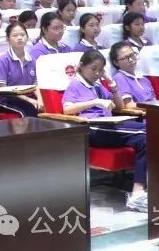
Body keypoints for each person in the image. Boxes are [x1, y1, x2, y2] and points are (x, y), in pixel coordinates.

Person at [61, 49, 148, 213]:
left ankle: (138, 193)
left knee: (147, 137)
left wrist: (111, 83)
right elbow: (67, 109)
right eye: (93, 69)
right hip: (93, 129)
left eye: (100, 70)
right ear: (82, 66)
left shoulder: (98, 85)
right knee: (145, 132)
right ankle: (138, 194)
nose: (97, 73)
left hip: (109, 126)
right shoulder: (75, 84)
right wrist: (95, 102)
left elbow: (119, 106)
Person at [0, 23, 42, 116]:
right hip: (6, 99)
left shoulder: (32, 60)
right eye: (15, 35)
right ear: (7, 39)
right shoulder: (2, 60)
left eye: (22, 35)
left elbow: (36, 84)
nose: (20, 38)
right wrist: (29, 100)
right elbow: (1, 87)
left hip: (28, 97)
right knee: (29, 110)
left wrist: (40, 99)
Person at [108, 42, 156, 106]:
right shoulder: (119, 78)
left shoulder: (144, 79)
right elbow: (128, 105)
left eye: (132, 55)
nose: (130, 60)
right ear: (116, 62)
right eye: (125, 58)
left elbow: (154, 101)